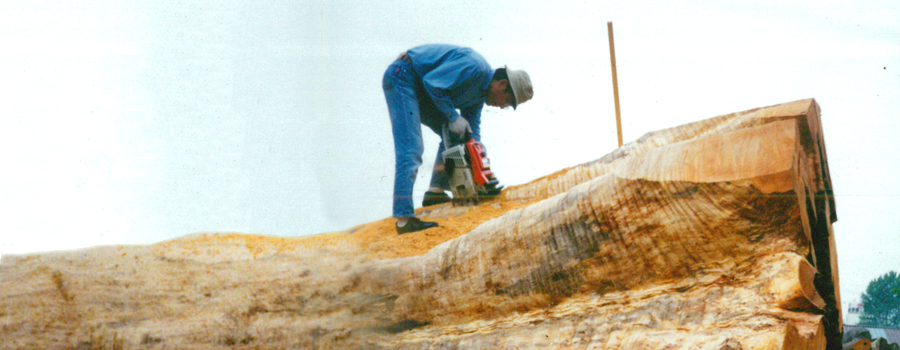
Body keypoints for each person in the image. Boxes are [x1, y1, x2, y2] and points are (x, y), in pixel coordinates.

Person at [382, 44, 533, 234]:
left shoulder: (478, 97)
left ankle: (435, 192)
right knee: (411, 150)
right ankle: (404, 220)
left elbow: (472, 136)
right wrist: (453, 116)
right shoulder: (475, 67)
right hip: (403, 77)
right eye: (508, 101)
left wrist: (483, 170)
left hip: (421, 88)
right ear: (502, 84)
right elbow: (432, 82)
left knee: (457, 136)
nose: (504, 107)